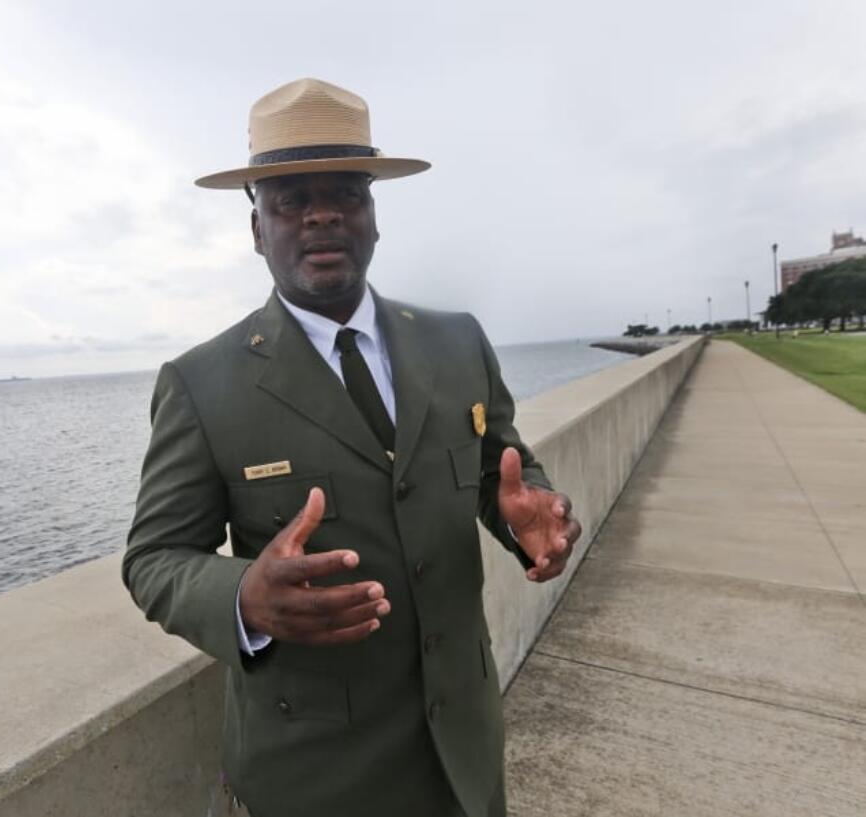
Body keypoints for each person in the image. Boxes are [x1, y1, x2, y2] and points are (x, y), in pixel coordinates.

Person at [122, 78, 580, 817]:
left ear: (374, 216)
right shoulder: (202, 385)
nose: (323, 214)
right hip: (310, 782)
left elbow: (504, 464)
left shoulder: (457, 341)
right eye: (291, 199)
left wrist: (534, 513)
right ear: (256, 230)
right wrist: (245, 595)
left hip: (465, 758)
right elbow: (153, 559)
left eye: (346, 192)